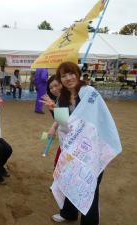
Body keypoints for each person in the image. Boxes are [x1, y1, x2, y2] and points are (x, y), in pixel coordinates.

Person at [42, 61, 121, 225]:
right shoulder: (62, 98)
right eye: (63, 75)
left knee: (89, 185)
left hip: (92, 148)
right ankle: (69, 213)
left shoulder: (89, 92)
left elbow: (94, 120)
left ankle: (90, 222)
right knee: (70, 179)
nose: (68, 78)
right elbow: (65, 126)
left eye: (71, 73)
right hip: (73, 148)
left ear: (78, 74)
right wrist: (53, 109)